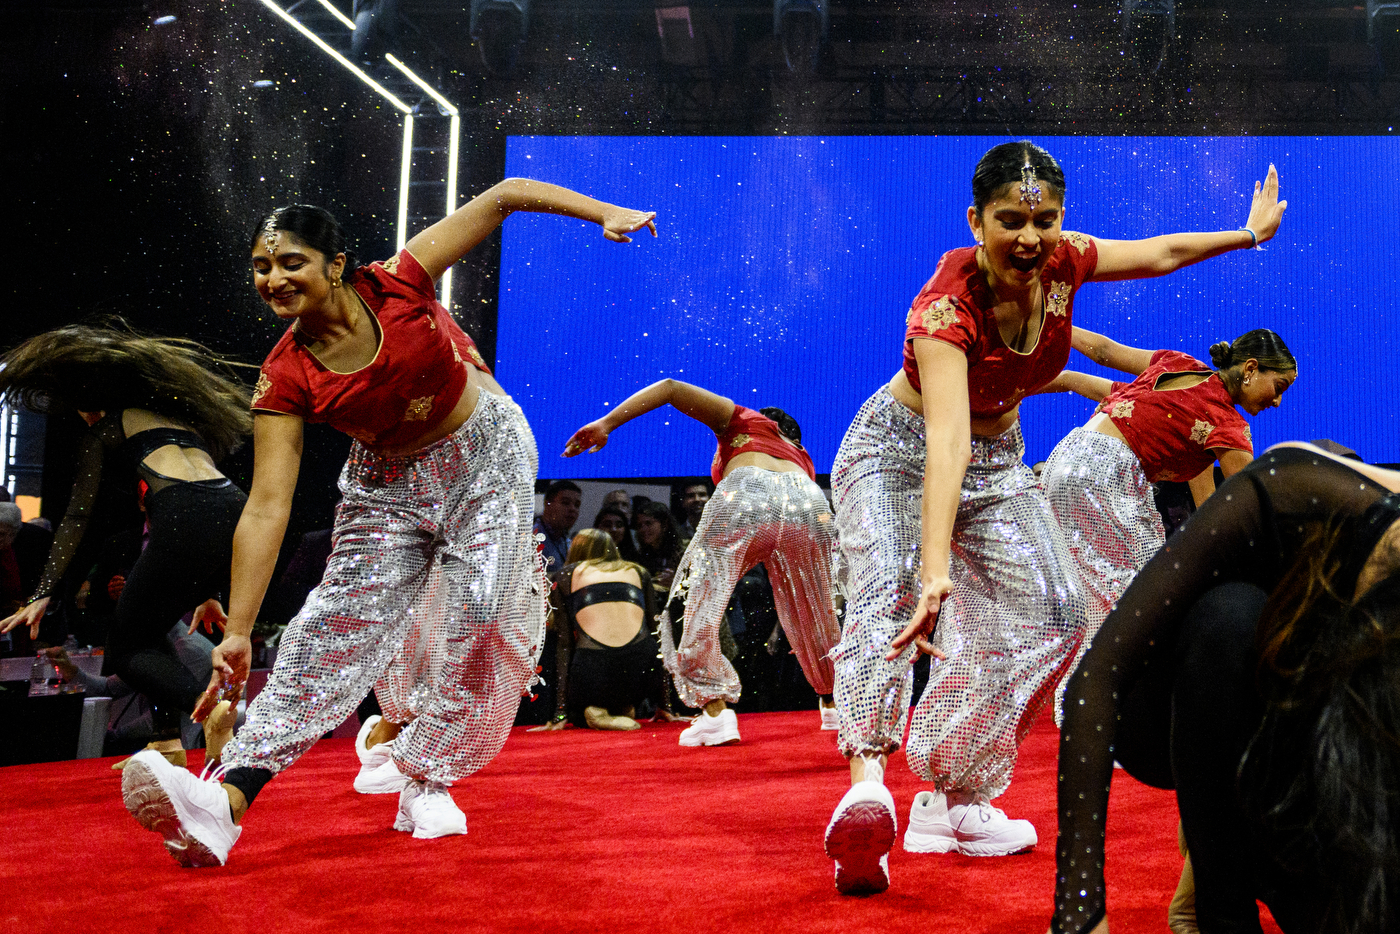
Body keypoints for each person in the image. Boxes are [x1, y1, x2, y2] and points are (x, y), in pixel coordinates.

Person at [118, 179, 657, 867]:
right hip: (385, 488)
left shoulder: (397, 282)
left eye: (290, 263)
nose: (274, 279)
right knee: (331, 630)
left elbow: (509, 193)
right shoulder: (284, 375)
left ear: (335, 265)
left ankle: (425, 773)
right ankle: (222, 802)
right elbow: (267, 506)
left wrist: (606, 211)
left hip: (484, 460)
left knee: (488, 620)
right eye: (261, 267)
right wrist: (244, 630)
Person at [822, 140, 1287, 896]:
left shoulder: (1064, 262)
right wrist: (935, 567)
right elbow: (945, 441)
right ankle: (865, 784)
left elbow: (1162, 252)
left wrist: (1247, 234)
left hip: (1001, 460)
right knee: (892, 591)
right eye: (1011, 220)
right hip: (900, 455)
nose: (1030, 236)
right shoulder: (944, 308)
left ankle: (952, 791)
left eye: (1045, 218)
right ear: (977, 220)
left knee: (1062, 612)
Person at [1051, 444, 1400, 934]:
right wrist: (1079, 910)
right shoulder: (1285, 490)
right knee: (1228, 620)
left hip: (1305, 712)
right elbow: (1096, 677)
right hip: (1173, 704)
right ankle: (1222, 910)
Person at [0, 324, 251, 761]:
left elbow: (79, 515)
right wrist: (207, 592)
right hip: (233, 505)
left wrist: (43, 592)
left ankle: (216, 710)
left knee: (126, 647)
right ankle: (168, 741)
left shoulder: (107, 429)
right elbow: (206, 505)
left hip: (187, 512)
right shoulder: (175, 419)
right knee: (150, 635)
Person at [565, 379, 842, 746]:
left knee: (690, 604)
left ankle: (714, 713)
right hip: (811, 503)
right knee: (814, 612)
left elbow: (670, 388)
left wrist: (607, 423)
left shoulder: (745, 420)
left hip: (747, 495)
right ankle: (836, 705)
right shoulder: (800, 457)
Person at [1041, 326, 1297, 723]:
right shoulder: (1229, 428)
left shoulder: (1179, 366)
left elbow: (1106, 355)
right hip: (1106, 476)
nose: (1278, 401)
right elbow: (1248, 507)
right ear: (1250, 368)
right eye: (1278, 385)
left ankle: (1084, 704)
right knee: (1138, 596)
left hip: (1067, 458)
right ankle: (1101, 712)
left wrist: (1053, 318)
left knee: (1101, 593)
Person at [533, 529, 669, 731]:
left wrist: (561, 713)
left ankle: (594, 711)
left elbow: (564, 644)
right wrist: (665, 704)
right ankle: (618, 707)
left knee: (581, 710)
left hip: (595, 672)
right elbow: (658, 633)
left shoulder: (565, 576)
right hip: (642, 673)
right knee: (632, 664)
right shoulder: (639, 572)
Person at [632, 500, 686, 594]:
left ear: (664, 525)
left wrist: (678, 583)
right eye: (640, 525)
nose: (643, 529)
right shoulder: (640, 556)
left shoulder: (684, 553)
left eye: (648, 524)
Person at [535, 479, 582, 574]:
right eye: (565, 503)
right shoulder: (531, 537)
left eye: (577, 505)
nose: (572, 509)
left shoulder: (568, 541)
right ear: (548, 504)